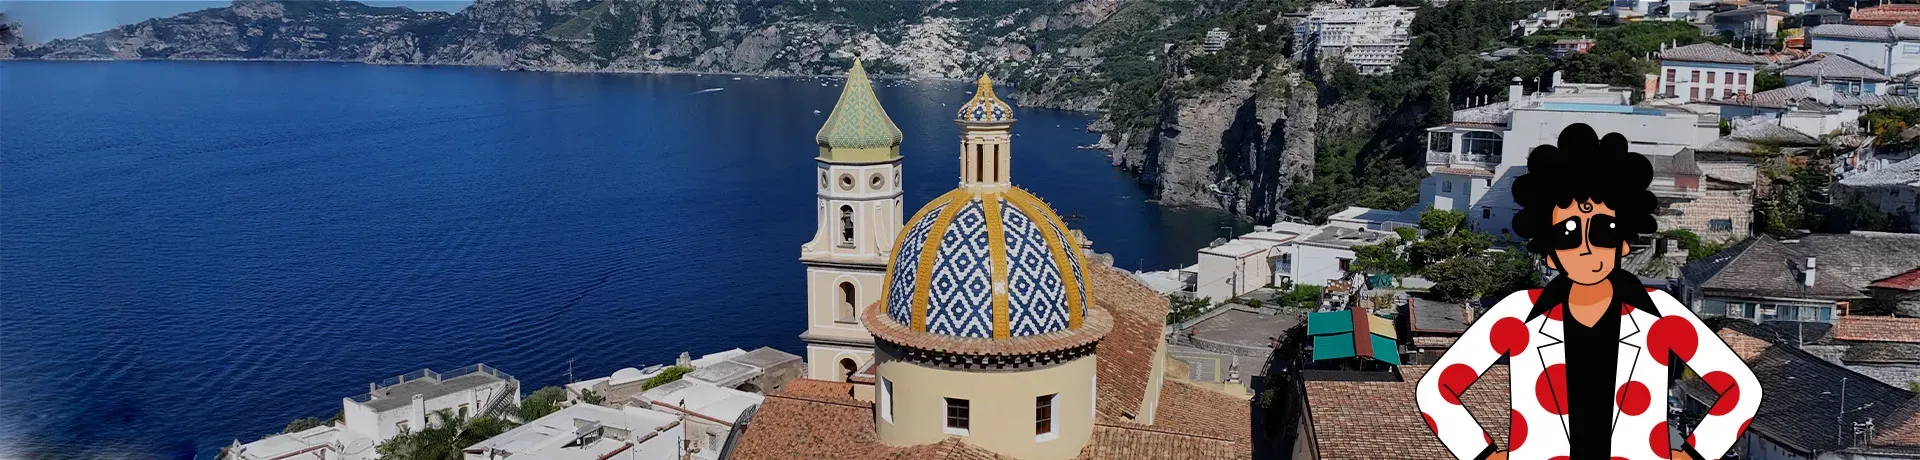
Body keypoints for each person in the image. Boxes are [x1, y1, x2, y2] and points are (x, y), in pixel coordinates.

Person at [1413, 124, 1761, 460]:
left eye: (1603, 231)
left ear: (1623, 242)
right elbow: (1436, 390)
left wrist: (1695, 454)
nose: (1586, 247)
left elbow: (1741, 390)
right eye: (1568, 234)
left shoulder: (1661, 315)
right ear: (1550, 251)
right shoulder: (1518, 314)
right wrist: (1483, 453)